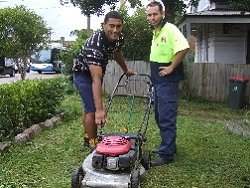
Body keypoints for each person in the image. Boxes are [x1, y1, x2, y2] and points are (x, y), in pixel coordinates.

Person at [72, 11, 134, 148]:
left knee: (88, 107)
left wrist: (126, 69)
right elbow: (96, 78)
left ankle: (88, 137)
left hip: (94, 75)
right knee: (92, 109)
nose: (115, 30)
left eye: (119, 26)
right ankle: (93, 144)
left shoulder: (118, 38)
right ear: (104, 25)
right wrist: (100, 109)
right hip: (83, 75)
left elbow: (117, 52)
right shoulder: (94, 45)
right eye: (111, 26)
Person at [146, 1, 190, 166]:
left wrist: (172, 66)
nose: (152, 17)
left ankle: (167, 155)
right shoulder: (156, 31)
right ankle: (169, 146)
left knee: (166, 117)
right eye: (149, 15)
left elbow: (184, 47)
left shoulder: (170, 29)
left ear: (162, 14)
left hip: (167, 81)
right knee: (159, 115)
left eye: (155, 14)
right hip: (158, 81)